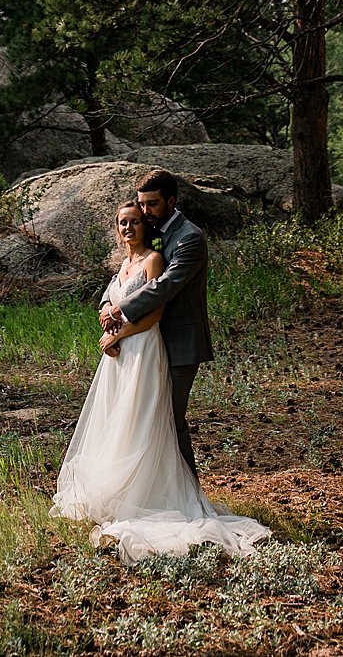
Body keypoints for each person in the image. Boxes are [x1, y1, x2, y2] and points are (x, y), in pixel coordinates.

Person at [50, 193, 268, 562]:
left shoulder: (158, 257)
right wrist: (106, 314)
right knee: (119, 417)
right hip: (119, 354)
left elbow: (155, 312)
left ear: (148, 223)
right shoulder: (123, 265)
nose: (131, 226)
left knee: (149, 418)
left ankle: (156, 493)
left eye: (137, 219)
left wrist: (116, 333)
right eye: (124, 222)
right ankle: (118, 489)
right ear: (117, 231)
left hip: (144, 347)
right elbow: (109, 297)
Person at [100, 168, 212, 475]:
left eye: (152, 204)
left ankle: (189, 494)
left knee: (171, 421)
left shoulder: (189, 237)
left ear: (171, 201)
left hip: (180, 342)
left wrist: (117, 312)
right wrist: (107, 303)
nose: (145, 211)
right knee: (145, 419)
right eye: (142, 203)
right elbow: (126, 274)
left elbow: (165, 285)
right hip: (148, 342)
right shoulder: (156, 232)